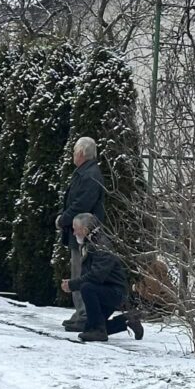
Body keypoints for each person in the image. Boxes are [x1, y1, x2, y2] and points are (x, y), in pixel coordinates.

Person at [61, 213, 143, 342]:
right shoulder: (91, 242)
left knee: (87, 288)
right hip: (105, 289)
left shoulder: (101, 246)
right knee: (88, 328)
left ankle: (98, 331)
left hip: (114, 292)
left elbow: (96, 276)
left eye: (75, 228)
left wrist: (72, 285)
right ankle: (126, 321)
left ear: (85, 230)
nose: (73, 233)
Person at [55, 137, 106, 332]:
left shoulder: (89, 175)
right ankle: (81, 312)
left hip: (85, 232)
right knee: (77, 270)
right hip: (79, 231)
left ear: (82, 154)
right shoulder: (85, 173)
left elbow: (81, 204)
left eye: (75, 152)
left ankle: (85, 314)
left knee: (82, 272)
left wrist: (63, 219)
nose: (73, 156)